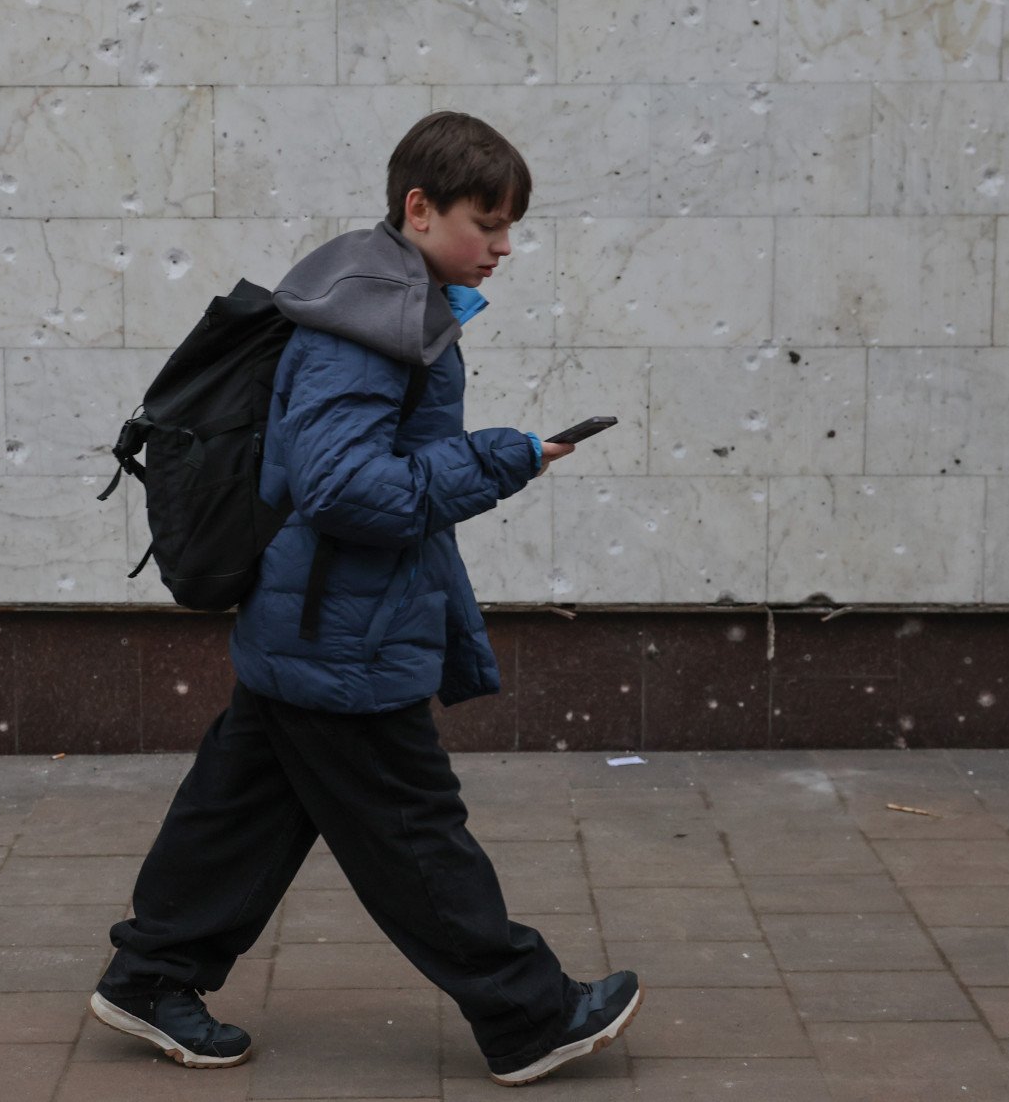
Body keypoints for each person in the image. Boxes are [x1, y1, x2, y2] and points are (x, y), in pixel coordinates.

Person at [88, 111, 642, 1088]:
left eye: (511, 225)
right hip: (342, 637)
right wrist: (504, 459)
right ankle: (529, 1014)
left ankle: (150, 974)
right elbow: (343, 487)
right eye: (488, 222)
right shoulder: (366, 329)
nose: (505, 245)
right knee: (412, 829)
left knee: (242, 808)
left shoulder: (388, 296)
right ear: (419, 208)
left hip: (314, 624)